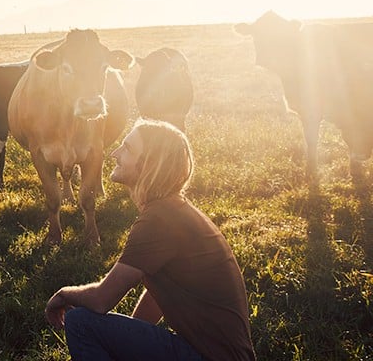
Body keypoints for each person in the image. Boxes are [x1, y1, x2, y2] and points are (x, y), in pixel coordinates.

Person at [44, 119, 256, 361]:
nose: (115, 154)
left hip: (209, 357)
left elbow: (101, 299)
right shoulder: (170, 211)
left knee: (80, 321)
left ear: (149, 166)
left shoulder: (160, 219)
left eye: (127, 149)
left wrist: (63, 295)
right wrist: (128, 344)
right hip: (216, 354)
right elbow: (157, 293)